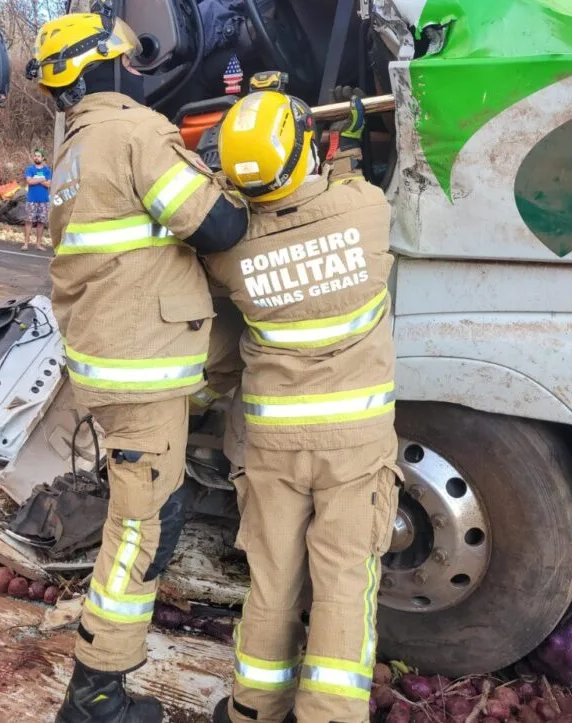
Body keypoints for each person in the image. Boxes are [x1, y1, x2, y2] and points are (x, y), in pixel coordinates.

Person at [29, 9, 250, 723]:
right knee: (141, 527)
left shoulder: (75, 148)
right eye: (130, 59)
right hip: (143, 368)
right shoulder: (135, 132)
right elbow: (215, 225)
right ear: (113, 65)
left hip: (113, 362)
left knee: (153, 502)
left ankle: (98, 687)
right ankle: (94, 696)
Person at [203, 91, 400, 723]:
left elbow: (219, 351)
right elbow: (354, 173)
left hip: (272, 450)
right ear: (307, 151)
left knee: (272, 584)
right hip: (354, 447)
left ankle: (253, 709)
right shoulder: (366, 211)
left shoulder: (228, 253)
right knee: (344, 587)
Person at [23, 148, 52, 250]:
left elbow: (48, 184)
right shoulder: (30, 169)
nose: (36, 157)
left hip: (44, 201)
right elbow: (29, 182)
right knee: (29, 222)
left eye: (39, 156)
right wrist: (42, 179)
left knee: (41, 223)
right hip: (31, 200)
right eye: (35, 155)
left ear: (43, 158)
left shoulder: (47, 170)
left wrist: (36, 179)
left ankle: (38, 244)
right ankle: (26, 243)